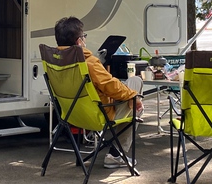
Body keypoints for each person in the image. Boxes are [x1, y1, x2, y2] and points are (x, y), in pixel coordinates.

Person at [53, 16, 144, 169]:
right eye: (83, 37)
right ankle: (115, 154)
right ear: (78, 42)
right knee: (136, 89)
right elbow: (110, 86)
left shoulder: (56, 61)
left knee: (131, 90)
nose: (84, 40)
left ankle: (116, 153)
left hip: (71, 115)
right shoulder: (88, 62)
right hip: (98, 115)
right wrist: (132, 96)